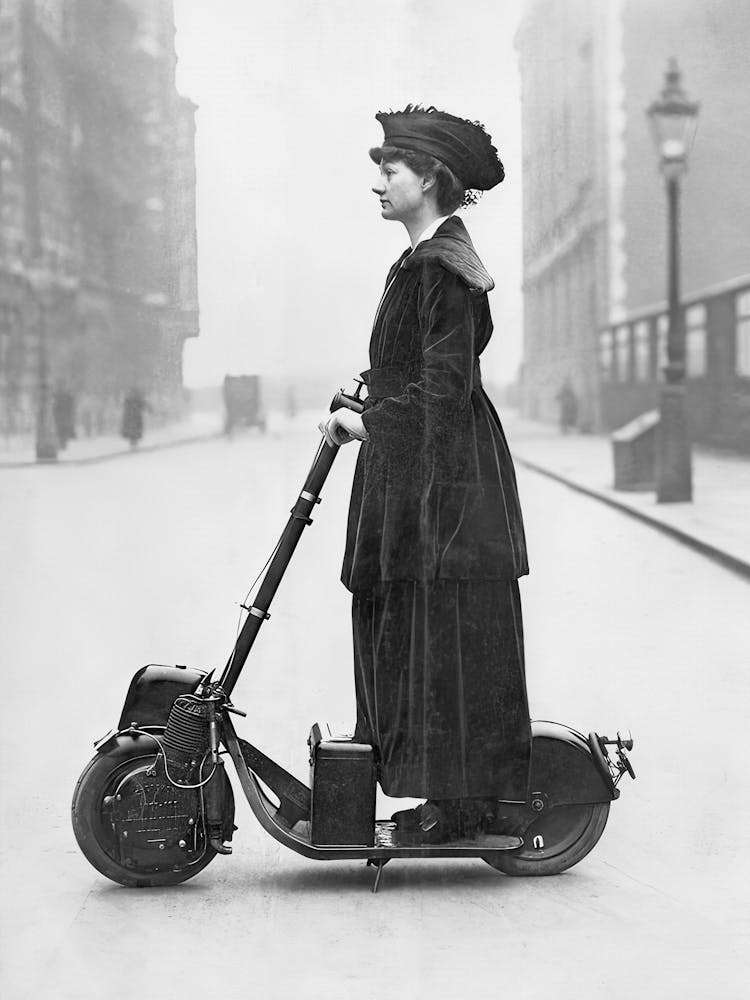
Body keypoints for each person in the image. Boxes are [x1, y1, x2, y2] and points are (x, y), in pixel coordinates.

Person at [320, 105, 531, 843]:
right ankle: (439, 793)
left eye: (391, 170)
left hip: (446, 488)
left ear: (430, 179)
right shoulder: (420, 263)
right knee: (410, 627)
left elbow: (443, 389)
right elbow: (410, 367)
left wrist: (371, 423)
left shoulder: (444, 268)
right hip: (419, 475)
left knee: (443, 635)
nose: (378, 183)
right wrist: (367, 396)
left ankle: (460, 804)